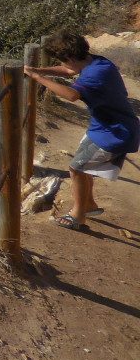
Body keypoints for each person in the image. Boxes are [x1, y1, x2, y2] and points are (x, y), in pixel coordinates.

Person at [23, 29, 140, 231]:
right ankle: (90, 205)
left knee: (76, 169)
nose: (62, 66)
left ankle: (77, 216)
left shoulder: (95, 74)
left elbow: (71, 95)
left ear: (68, 57)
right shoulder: (96, 61)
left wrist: (36, 76)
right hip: (103, 127)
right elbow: (70, 71)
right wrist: (40, 71)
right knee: (83, 166)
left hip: (115, 132)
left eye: (61, 61)